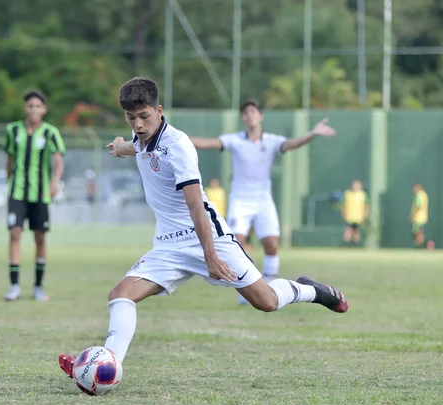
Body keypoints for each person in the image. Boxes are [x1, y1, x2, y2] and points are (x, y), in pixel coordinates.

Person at [58, 77, 348, 379]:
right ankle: (107, 366)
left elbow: (196, 206)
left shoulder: (179, 146)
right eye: (131, 118)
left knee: (266, 302)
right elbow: (141, 147)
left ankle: (312, 290)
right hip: (168, 246)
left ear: (159, 111)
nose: (139, 125)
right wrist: (122, 147)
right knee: (120, 294)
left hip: (209, 238)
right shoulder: (141, 139)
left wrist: (210, 255)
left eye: (144, 116)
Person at [189, 100, 336, 305]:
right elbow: (206, 143)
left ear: (260, 116)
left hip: (263, 201)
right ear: (243, 119)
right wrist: (176, 138)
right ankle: (244, 292)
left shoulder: (272, 141)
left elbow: (292, 144)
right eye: (245, 113)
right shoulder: (235, 140)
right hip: (240, 200)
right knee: (237, 245)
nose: (249, 116)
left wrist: (312, 133)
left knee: (272, 245)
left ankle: (269, 288)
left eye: (252, 111)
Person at [4, 89, 66, 302]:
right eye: (30, 105)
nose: (34, 109)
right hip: (17, 192)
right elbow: (9, 159)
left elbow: (58, 159)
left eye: (38, 106)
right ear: (25, 108)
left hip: (40, 194)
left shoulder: (50, 132)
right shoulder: (12, 130)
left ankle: (38, 287)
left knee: (40, 237)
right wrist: (8, 182)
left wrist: (55, 181)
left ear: (44, 109)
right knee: (14, 234)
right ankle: (14, 286)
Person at [340, 180, 369, 247]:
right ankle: (346, 245)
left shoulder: (363, 195)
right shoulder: (347, 194)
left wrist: (365, 215)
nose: (355, 187)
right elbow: (343, 205)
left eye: (357, 185)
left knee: (356, 232)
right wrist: (344, 213)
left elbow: (366, 206)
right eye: (354, 185)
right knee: (348, 230)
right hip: (350, 217)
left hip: (358, 217)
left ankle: (356, 246)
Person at [410, 183, 428, 248]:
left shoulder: (419, 194)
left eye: (415, 188)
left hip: (418, 218)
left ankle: (425, 244)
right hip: (422, 218)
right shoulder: (424, 194)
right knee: (418, 232)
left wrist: (413, 216)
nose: (413, 190)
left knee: (417, 232)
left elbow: (418, 205)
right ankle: (422, 244)